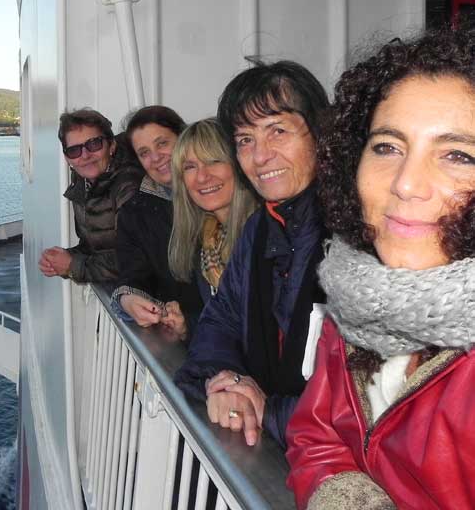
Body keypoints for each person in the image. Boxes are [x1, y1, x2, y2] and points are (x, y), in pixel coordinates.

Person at [286, 27, 475, 509]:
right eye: (387, 146)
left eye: (457, 155)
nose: (406, 184)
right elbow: (316, 435)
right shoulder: (358, 292)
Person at [174, 60, 329, 448]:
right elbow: (222, 319)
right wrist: (225, 379)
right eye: (245, 140)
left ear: (321, 135)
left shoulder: (357, 232)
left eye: (277, 131)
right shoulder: (260, 228)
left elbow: (375, 402)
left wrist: (267, 411)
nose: (260, 156)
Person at [114, 111, 256, 341]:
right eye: (144, 153)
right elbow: (221, 320)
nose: (202, 177)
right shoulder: (208, 232)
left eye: (162, 143)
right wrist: (127, 298)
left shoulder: (260, 233)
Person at [39, 108, 142, 283]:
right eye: (74, 151)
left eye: (94, 144)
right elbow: (94, 248)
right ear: (67, 158)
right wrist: (61, 259)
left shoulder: (129, 185)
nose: (85, 155)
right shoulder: (82, 183)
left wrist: (73, 266)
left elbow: (136, 258)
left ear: (111, 146)